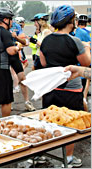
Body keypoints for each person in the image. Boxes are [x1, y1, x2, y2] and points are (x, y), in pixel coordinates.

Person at [40, 5, 91, 167]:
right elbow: (86, 63)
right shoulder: (74, 41)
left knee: (48, 123)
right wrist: (87, 48)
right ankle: (68, 158)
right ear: (70, 21)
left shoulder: (46, 40)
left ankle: (42, 154)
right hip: (71, 88)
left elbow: (43, 62)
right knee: (71, 125)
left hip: (51, 87)